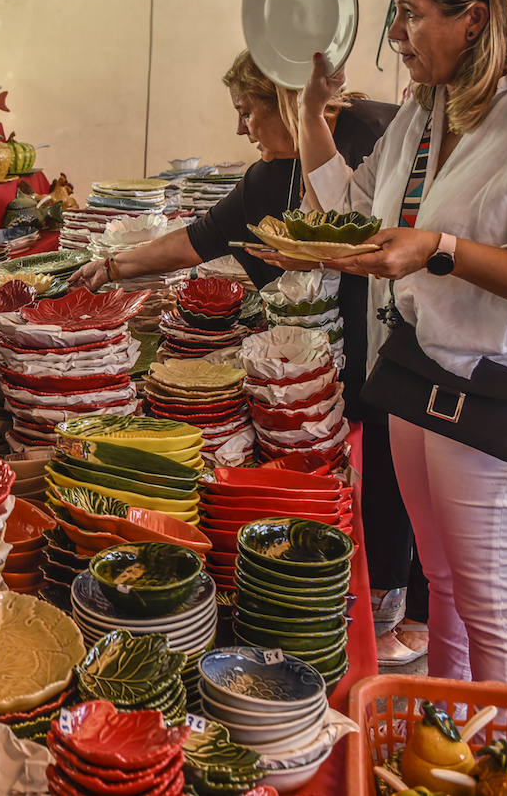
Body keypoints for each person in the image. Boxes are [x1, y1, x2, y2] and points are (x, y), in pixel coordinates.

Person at [294, 0, 507, 683]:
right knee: (446, 587)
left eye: (410, 13)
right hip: (422, 373)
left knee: (498, 614)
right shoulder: (430, 111)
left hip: (500, 388)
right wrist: (310, 115)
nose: (395, 34)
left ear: (474, 19)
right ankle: (446, 733)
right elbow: (348, 212)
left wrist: (439, 248)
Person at [73, 54, 430, 662]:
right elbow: (199, 238)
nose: (240, 129)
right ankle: (384, 595)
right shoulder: (270, 177)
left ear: (284, 102)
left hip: (402, 332)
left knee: (409, 464)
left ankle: (418, 608)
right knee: (378, 457)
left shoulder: (375, 133)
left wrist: (323, 254)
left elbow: (398, 234)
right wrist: (112, 266)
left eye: (246, 112)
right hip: (332, 354)